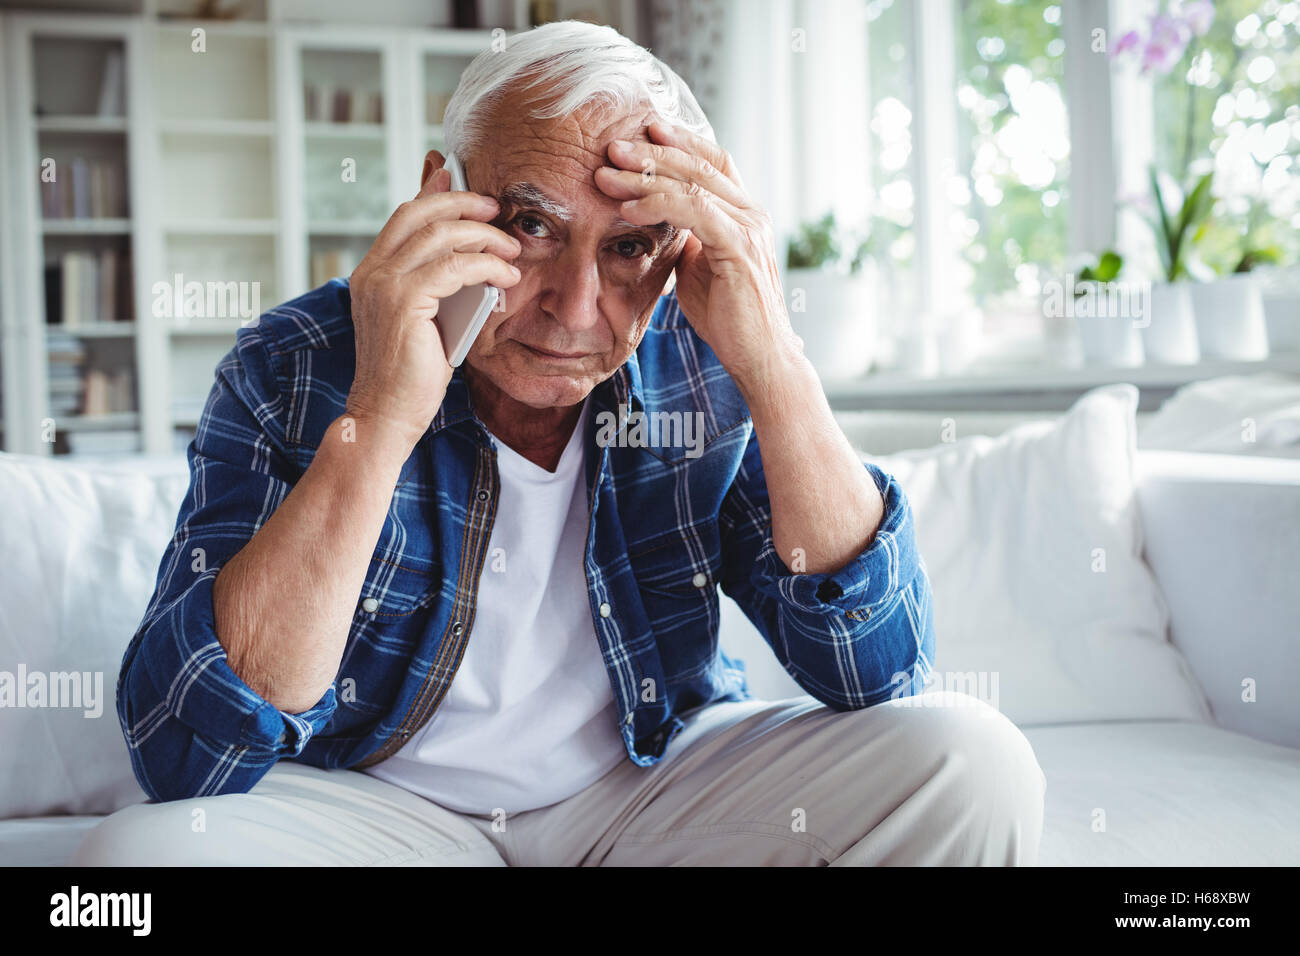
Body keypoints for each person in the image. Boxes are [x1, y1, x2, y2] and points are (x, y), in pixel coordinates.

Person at [75, 20, 1044, 866]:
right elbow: (184, 750)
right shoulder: (292, 359)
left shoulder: (701, 360)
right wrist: (380, 417)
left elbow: (871, 669)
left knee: (973, 762)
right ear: (435, 193)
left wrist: (775, 361)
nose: (576, 310)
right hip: (379, 804)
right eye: (532, 226)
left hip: (646, 783)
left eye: (628, 247)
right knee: (139, 859)